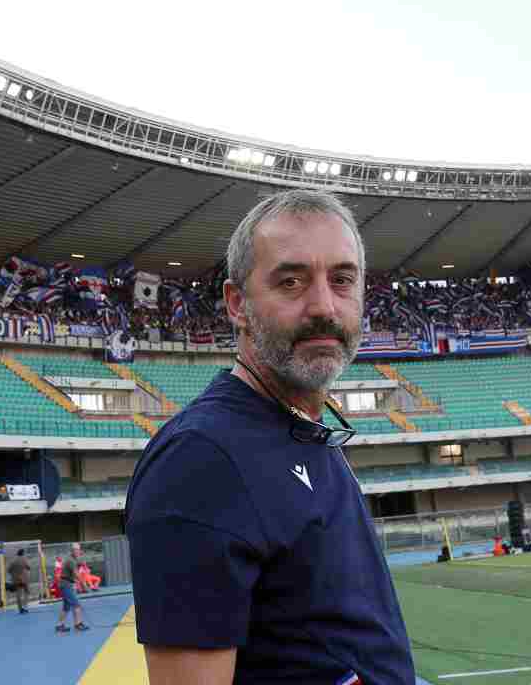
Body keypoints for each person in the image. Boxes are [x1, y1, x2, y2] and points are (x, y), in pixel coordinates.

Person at [126, 190, 415, 685]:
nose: (324, 306)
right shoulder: (201, 460)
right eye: (291, 281)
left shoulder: (307, 428)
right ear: (237, 304)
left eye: (342, 280)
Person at [55, 544, 88, 634]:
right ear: (72, 551)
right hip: (66, 585)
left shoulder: (73, 559)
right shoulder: (71, 560)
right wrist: (84, 585)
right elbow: (76, 574)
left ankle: (59, 625)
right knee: (76, 605)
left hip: (66, 584)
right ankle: (78, 624)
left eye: (78, 550)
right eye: (76, 550)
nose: (78, 551)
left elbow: (78, 566)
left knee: (66, 607)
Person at [8, 549, 32, 615]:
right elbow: (29, 567)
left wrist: (14, 575)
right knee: (27, 592)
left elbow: (9, 570)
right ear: (23, 553)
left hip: (16, 580)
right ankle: (25, 606)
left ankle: (20, 608)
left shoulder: (13, 561)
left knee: (18, 594)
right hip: (24, 579)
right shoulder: (24, 560)